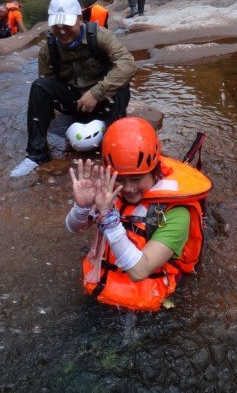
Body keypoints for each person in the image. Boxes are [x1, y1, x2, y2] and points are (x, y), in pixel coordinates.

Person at [65, 117, 212, 311]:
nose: (128, 189)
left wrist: (109, 218)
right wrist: (82, 207)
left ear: (154, 172)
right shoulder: (112, 191)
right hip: (100, 288)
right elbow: (74, 228)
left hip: (149, 308)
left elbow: (139, 270)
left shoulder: (177, 214)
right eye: (120, 179)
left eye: (136, 178)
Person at [10, 0, 136, 178]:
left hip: (104, 100)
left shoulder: (100, 36)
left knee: (121, 84)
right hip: (76, 103)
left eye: (67, 24)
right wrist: (47, 116)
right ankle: (37, 154)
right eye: (56, 25)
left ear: (79, 19)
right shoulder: (48, 49)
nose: (62, 31)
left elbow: (128, 64)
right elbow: (48, 83)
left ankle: (113, 149)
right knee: (39, 86)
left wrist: (96, 93)